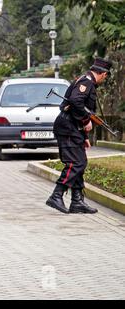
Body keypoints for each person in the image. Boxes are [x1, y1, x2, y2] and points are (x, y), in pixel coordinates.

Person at [46, 57, 112, 214]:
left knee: (80, 162)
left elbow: (80, 106)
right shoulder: (87, 82)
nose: (105, 78)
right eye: (106, 75)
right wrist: (85, 121)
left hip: (73, 129)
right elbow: (76, 103)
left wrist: (85, 137)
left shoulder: (86, 81)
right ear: (102, 73)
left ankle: (77, 201)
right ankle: (56, 195)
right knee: (76, 163)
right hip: (68, 127)